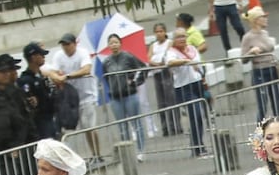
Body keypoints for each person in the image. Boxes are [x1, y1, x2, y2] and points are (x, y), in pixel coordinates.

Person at [43, 33, 100, 157]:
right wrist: (57, 77)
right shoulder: (59, 55)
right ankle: (70, 157)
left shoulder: (82, 53)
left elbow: (86, 69)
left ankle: (96, 154)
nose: (65, 47)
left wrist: (67, 76)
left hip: (86, 96)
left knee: (89, 127)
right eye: (63, 44)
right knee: (67, 128)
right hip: (69, 98)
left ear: (74, 44)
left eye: (68, 44)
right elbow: (51, 72)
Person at [101, 33, 148, 161]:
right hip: (115, 97)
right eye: (111, 43)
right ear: (108, 45)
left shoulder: (128, 56)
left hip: (130, 95)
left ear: (120, 43)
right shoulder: (106, 62)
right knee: (122, 126)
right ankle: (128, 153)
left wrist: (135, 82)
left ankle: (141, 151)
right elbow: (106, 78)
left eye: (116, 42)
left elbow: (143, 68)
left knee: (136, 123)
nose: (114, 45)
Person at [162, 28, 208, 158]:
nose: (182, 39)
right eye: (179, 37)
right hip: (183, 86)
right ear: (174, 39)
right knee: (195, 114)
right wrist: (185, 61)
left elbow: (199, 64)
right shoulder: (171, 52)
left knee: (199, 117)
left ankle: (198, 144)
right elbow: (170, 63)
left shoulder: (192, 49)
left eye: (184, 36)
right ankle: (197, 146)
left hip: (197, 83)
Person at [241, 5, 279, 122]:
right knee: (262, 105)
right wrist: (251, 52)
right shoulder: (248, 37)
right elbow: (243, 59)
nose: (266, 19)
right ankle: (260, 130)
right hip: (260, 71)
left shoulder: (265, 33)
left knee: (277, 103)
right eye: (263, 17)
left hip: (272, 69)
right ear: (256, 20)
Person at [147, 23, 183, 136]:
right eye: (157, 32)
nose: (159, 34)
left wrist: (159, 62)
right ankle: (165, 127)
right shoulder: (153, 46)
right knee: (161, 102)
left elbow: (167, 56)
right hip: (157, 74)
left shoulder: (169, 43)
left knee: (171, 100)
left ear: (165, 32)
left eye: (161, 31)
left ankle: (176, 126)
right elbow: (149, 59)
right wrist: (156, 63)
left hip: (167, 73)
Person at [18, 42, 58, 140]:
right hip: (39, 122)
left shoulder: (41, 76)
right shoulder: (26, 80)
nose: (44, 57)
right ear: (33, 57)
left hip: (49, 117)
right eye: (41, 55)